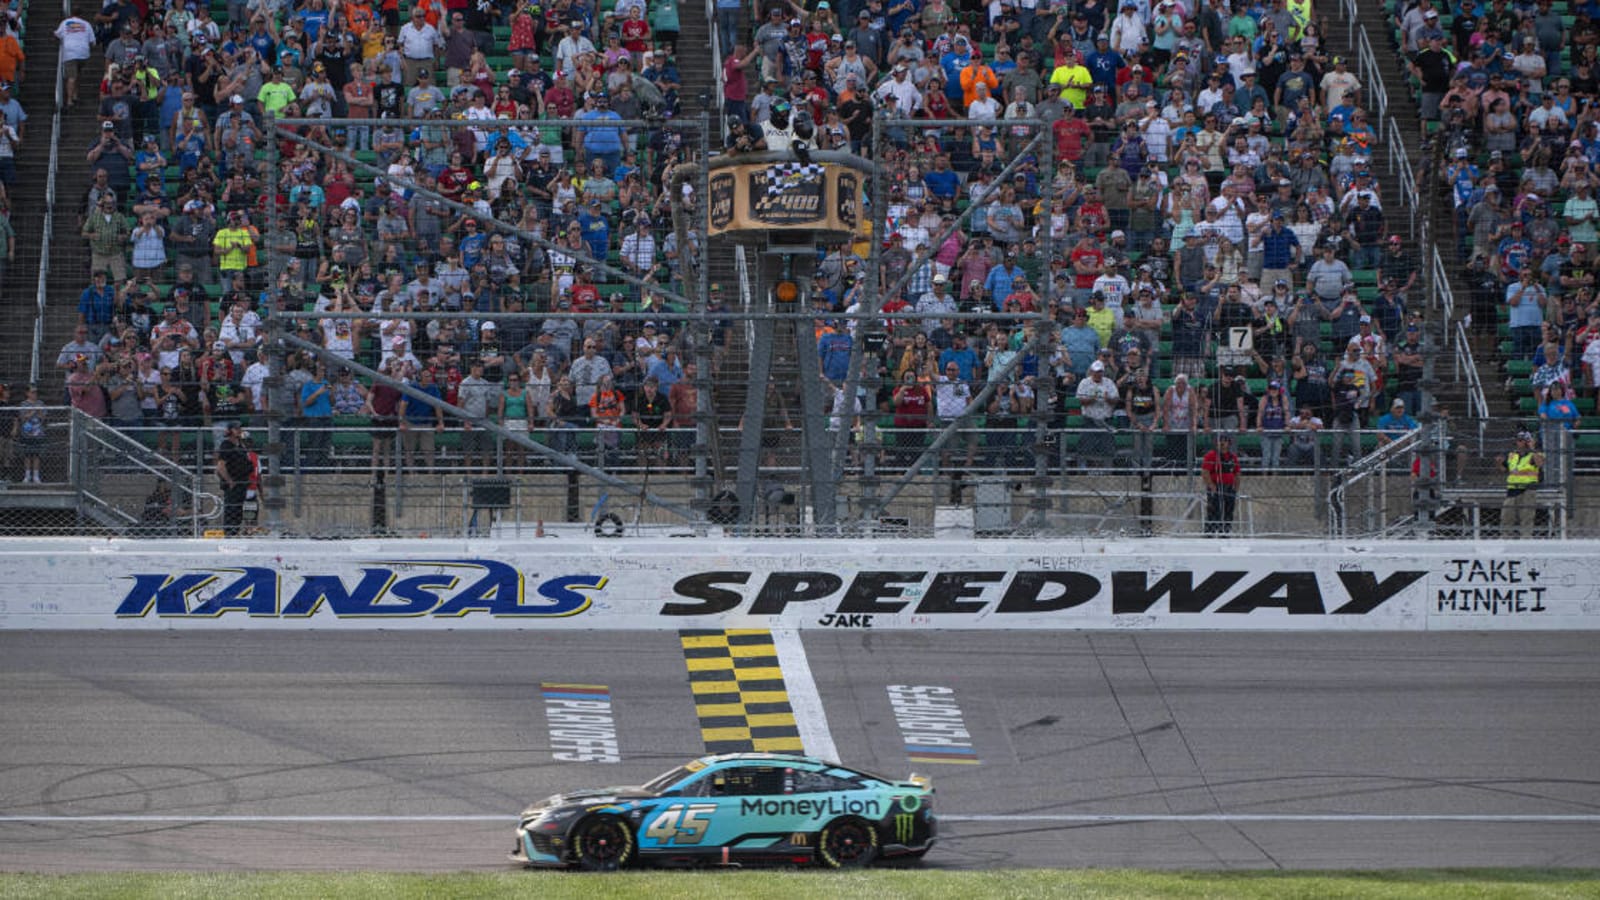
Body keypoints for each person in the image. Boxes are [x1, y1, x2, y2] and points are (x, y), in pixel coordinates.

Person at [1501, 430, 1543, 537]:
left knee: (1527, 516)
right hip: (1513, 488)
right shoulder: (1512, 455)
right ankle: (1506, 537)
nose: (1519, 443)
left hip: (1528, 488)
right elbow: (1504, 468)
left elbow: (1540, 463)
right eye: (1518, 440)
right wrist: (1498, 462)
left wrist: (1532, 449)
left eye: (1522, 440)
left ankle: (1526, 537)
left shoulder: (1534, 454)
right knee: (1507, 515)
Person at [214, 421, 253, 536]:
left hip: (242, 481)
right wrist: (229, 481)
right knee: (231, 508)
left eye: (239, 428)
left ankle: (235, 531)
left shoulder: (240, 444)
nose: (239, 430)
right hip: (233, 482)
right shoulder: (226, 445)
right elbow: (221, 466)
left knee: (239, 509)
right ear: (230, 430)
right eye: (236, 429)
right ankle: (229, 532)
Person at [1201, 433, 1241, 534]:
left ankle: (1226, 531)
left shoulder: (1232, 457)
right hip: (1216, 486)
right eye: (1220, 441)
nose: (1222, 443)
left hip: (1229, 487)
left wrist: (1235, 487)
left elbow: (1237, 473)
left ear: (1229, 443)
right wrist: (1211, 485)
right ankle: (1210, 531)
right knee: (1214, 509)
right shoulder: (1211, 455)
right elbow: (1205, 472)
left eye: (1225, 441)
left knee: (1228, 510)